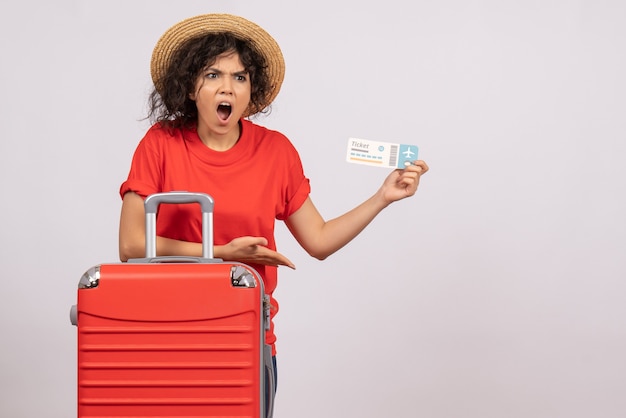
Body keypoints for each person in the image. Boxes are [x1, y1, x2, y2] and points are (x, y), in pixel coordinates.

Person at [118, 12, 428, 413]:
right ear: (191, 87)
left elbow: (318, 241)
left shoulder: (276, 152)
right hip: (167, 333)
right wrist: (225, 253)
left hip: (244, 336)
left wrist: (381, 197)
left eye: (239, 77)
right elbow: (130, 244)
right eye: (212, 75)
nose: (226, 86)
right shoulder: (160, 143)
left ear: (252, 92)